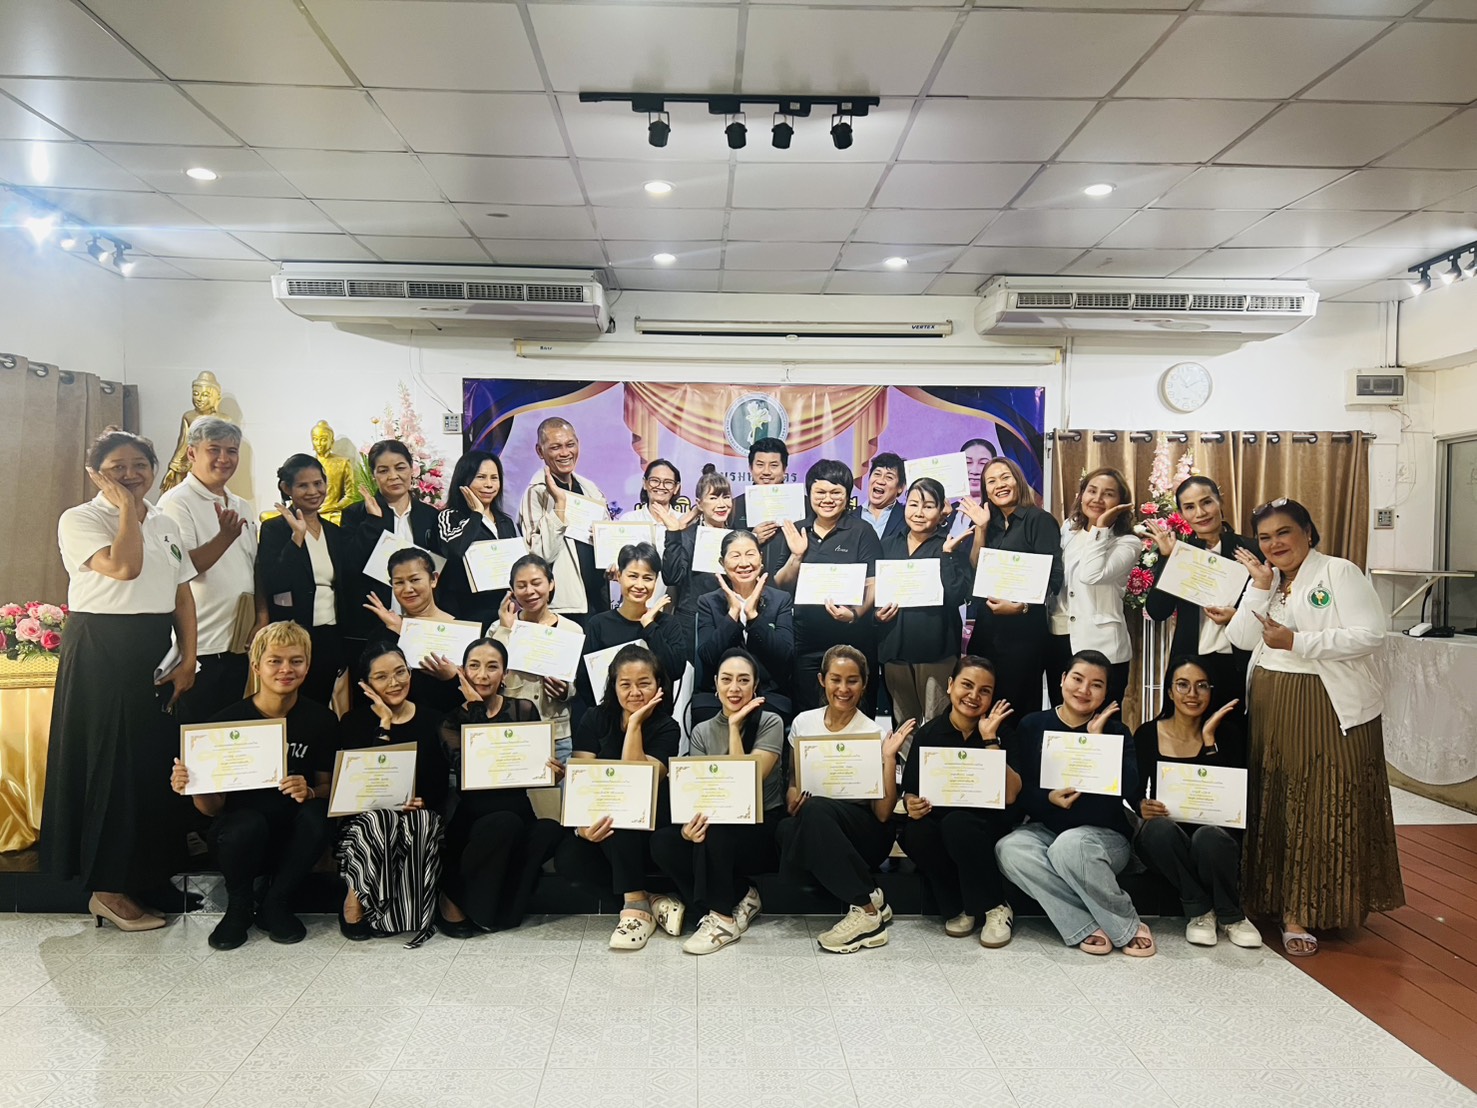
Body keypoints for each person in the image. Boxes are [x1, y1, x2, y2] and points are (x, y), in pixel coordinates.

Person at [1227, 498, 1402, 957]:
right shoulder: (1270, 580)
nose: (1275, 544)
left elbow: (1371, 634)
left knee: (1322, 802)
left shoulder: (1338, 572)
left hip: (1326, 706)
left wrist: (1298, 641)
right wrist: (1259, 588)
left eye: (1284, 532)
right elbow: (1240, 638)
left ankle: (1306, 910)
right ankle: (1271, 899)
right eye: (1265, 537)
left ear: (1308, 532)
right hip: (1272, 705)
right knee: (1277, 800)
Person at [46, 429, 199, 933]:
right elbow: (125, 568)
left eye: (140, 465)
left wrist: (189, 658)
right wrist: (127, 510)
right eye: (118, 467)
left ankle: (148, 876)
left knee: (151, 765)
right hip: (102, 651)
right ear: (96, 474)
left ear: (155, 468)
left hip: (152, 648)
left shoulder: (166, 521)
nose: (131, 475)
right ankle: (107, 890)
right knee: (111, 767)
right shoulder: (80, 519)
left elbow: (181, 594)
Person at [169, 621, 336, 950]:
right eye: (275, 661)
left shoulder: (321, 720)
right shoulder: (223, 723)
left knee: (317, 815)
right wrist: (193, 785)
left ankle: (276, 902)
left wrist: (310, 791)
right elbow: (211, 809)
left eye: (296, 661)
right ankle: (239, 907)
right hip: (240, 838)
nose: (286, 669)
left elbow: (329, 787)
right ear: (257, 666)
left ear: (308, 666)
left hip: (294, 839)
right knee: (246, 824)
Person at [995, 650, 1153, 956]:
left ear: (1106, 693)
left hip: (1104, 836)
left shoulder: (1116, 730)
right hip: (1047, 829)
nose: (1084, 690)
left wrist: (1097, 742)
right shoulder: (1032, 725)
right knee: (1009, 849)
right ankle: (1084, 923)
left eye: (1096, 685)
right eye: (1077, 679)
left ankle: (1126, 925)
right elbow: (1021, 790)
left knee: (1071, 845)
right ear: (1063, 679)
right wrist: (1047, 798)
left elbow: (1129, 788)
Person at [777, 645, 914, 954]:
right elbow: (795, 782)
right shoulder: (803, 723)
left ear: (864, 684)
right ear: (822, 680)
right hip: (821, 824)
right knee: (787, 828)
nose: (843, 688)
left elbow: (883, 814)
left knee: (811, 817)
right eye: (835, 679)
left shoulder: (874, 732)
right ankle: (871, 894)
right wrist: (792, 797)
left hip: (864, 832)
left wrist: (889, 758)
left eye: (852, 680)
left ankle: (866, 914)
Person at [649, 649, 785, 954]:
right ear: (715, 684)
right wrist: (688, 828)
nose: (734, 688)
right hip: (717, 825)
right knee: (665, 842)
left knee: (719, 827)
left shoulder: (770, 722)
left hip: (760, 827)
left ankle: (722, 920)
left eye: (743, 680)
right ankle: (742, 896)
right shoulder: (702, 731)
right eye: (727, 680)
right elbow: (698, 792)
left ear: (755, 686)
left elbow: (745, 788)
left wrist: (735, 727)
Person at [554, 645, 682, 950]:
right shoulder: (594, 718)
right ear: (613, 686)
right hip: (602, 818)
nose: (635, 692)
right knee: (569, 858)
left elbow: (639, 784)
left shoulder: (668, 727)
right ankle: (649, 899)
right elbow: (583, 780)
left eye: (644, 683)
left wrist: (635, 723)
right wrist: (582, 828)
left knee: (623, 812)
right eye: (625, 684)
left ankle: (635, 909)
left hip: (649, 821)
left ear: (659, 685)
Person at [437, 638, 564, 936]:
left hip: (518, 812)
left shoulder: (523, 709)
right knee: (504, 823)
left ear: (505, 673)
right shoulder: (449, 722)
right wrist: (476, 707)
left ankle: (502, 911)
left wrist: (552, 774)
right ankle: (452, 895)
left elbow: (532, 764)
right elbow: (473, 769)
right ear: (463, 671)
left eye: (492, 667)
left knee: (549, 830)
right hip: (476, 819)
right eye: (474, 666)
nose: (482, 675)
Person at [1133, 658, 1260, 950]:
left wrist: (1209, 741)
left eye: (1202, 686)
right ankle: (1201, 910)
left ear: (1211, 691)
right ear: (1169, 691)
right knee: (1157, 830)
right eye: (1183, 685)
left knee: (1208, 837)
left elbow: (1231, 798)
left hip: (1215, 838)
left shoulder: (1228, 735)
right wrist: (1141, 804)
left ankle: (1231, 916)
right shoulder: (1147, 734)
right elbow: (1133, 790)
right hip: (1168, 841)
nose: (1192, 694)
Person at [897, 656, 1019, 947]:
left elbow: (1012, 794)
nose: (974, 696)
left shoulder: (1002, 731)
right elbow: (910, 791)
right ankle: (959, 906)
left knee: (958, 824)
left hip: (985, 823)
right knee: (915, 832)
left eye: (984, 690)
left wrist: (989, 740)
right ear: (950, 685)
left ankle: (996, 905)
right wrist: (912, 803)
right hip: (941, 820)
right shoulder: (928, 734)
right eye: (967, 685)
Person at [335, 642, 450, 947]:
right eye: (382, 677)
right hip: (365, 820)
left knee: (421, 822)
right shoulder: (353, 722)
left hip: (417, 813)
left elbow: (439, 783)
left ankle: (400, 915)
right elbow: (359, 786)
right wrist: (384, 725)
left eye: (401, 672)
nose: (394, 682)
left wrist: (422, 801)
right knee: (381, 820)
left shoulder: (434, 720)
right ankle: (355, 898)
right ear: (366, 684)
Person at [157, 415, 262, 723]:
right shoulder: (177, 502)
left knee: (228, 733)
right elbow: (182, 569)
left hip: (237, 641)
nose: (223, 458)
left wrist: (261, 618)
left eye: (231, 451)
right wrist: (224, 537)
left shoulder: (241, 505)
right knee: (195, 733)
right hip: (200, 646)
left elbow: (253, 568)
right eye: (214, 449)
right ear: (192, 453)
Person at [774, 459, 883, 715]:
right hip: (806, 642)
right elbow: (780, 584)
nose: (827, 499)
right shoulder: (797, 530)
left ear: (847, 496)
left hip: (853, 642)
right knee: (808, 715)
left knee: (854, 715)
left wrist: (854, 614)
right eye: (820, 492)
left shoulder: (862, 531)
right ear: (809, 493)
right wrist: (796, 556)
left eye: (836, 492)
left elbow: (874, 582)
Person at [1146, 476, 1260, 719]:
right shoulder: (1181, 553)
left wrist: (1237, 617)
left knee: (1234, 732)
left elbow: (1271, 609)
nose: (1200, 513)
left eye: (1206, 502)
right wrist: (1167, 558)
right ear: (1182, 514)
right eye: (1190, 507)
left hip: (1237, 662)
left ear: (1220, 501)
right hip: (1190, 663)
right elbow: (1158, 611)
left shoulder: (1251, 550)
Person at [963, 457, 1062, 723]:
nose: (999, 485)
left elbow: (1054, 578)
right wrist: (981, 529)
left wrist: (1022, 606)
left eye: (1005, 477)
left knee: (1017, 710)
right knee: (982, 706)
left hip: (1024, 635)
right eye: (991, 481)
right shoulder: (989, 522)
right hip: (987, 632)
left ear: (1018, 480)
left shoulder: (1039, 520)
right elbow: (976, 569)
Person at [257, 454, 357, 706]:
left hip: (330, 633)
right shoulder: (274, 529)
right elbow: (274, 581)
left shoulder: (333, 531)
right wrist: (297, 538)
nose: (313, 491)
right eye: (303, 485)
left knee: (320, 704)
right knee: (291, 703)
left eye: (318, 483)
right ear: (286, 488)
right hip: (293, 634)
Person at [875, 477, 975, 727]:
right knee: (903, 725)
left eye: (928, 506)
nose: (919, 513)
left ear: (942, 511)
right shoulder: (887, 545)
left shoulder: (950, 545)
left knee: (936, 722)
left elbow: (957, 596)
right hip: (895, 649)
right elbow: (874, 592)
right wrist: (877, 615)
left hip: (935, 652)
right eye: (913, 504)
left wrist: (948, 555)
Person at [1045, 467, 1140, 710]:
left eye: (1108, 494)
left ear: (1121, 502)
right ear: (1081, 494)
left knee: (1101, 720)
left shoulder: (1128, 543)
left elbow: (1091, 575)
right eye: (1092, 491)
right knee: (1062, 716)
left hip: (1102, 646)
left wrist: (1100, 527)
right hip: (1059, 638)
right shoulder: (1069, 529)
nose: (1097, 499)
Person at [341, 439, 441, 643]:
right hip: (374, 622)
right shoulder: (356, 514)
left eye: (400, 467)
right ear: (373, 475)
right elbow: (349, 565)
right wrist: (372, 522)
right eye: (383, 470)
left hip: (423, 621)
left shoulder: (430, 515)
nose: (393, 476)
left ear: (412, 469)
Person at [693, 530, 796, 725]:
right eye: (735, 556)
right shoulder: (708, 602)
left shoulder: (780, 600)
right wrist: (733, 614)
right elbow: (707, 656)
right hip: (719, 695)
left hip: (767, 694)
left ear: (761, 558)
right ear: (722, 562)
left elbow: (785, 655)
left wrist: (753, 616)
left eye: (750, 554)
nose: (744, 563)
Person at [491, 554, 581, 764]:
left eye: (536, 583)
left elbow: (578, 683)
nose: (529, 591)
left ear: (551, 584)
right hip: (512, 731)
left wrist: (565, 691)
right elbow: (490, 675)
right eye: (521, 585)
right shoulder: (499, 628)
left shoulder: (572, 630)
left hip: (557, 733)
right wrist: (505, 630)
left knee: (556, 786)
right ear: (512, 591)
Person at [575, 542, 687, 708]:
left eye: (647, 578)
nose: (640, 585)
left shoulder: (668, 623)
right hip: (611, 716)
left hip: (656, 717)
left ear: (656, 581)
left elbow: (675, 671)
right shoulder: (599, 624)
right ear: (619, 576)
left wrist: (649, 626)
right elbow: (584, 680)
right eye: (633, 576)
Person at [518, 418, 609, 621]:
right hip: (565, 605)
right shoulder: (536, 492)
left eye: (570, 445)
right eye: (555, 447)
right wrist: (559, 505)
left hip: (598, 599)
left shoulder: (590, 488)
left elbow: (608, 542)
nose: (565, 453)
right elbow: (540, 556)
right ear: (540, 451)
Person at [359, 547, 462, 712]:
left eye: (415, 580)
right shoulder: (385, 633)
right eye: (399, 582)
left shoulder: (461, 629)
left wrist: (452, 678)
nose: (407, 589)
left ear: (433, 579)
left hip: (450, 718)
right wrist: (397, 632)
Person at [435, 450, 519, 628]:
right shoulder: (450, 516)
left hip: (501, 611)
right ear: (464, 480)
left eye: (494, 478)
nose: (489, 485)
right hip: (463, 612)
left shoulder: (506, 521)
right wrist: (476, 514)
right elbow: (454, 551)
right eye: (480, 477)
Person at [653, 465, 733, 627]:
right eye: (713, 498)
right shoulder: (687, 537)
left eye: (726, 497)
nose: (722, 504)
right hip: (692, 621)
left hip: (730, 617)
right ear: (699, 504)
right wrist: (673, 533)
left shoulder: (738, 537)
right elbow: (671, 577)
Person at [731, 436, 794, 582]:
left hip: (789, 587)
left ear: (784, 469)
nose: (766, 472)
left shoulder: (803, 505)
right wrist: (751, 540)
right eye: (760, 465)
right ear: (750, 468)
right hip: (745, 587)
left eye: (773, 465)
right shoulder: (733, 507)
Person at [859, 452, 907, 541]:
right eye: (877, 474)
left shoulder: (907, 519)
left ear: (900, 488)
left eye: (889, 477)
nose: (880, 481)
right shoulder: (849, 518)